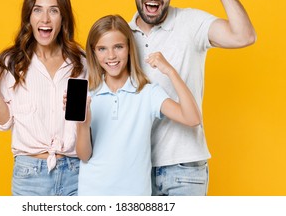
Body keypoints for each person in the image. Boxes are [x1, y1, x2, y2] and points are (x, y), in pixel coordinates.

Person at [129, 0, 257, 196]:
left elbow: (244, 36)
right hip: (138, 169)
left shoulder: (190, 22)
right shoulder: (122, 36)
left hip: (185, 169)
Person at [72, 14, 201, 195]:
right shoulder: (87, 94)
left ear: (130, 48)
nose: (111, 56)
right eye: (102, 49)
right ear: (93, 52)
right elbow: (84, 155)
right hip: (93, 195)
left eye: (118, 47)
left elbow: (192, 118)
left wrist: (170, 72)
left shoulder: (148, 93)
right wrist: (83, 125)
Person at [0, 0, 87, 196]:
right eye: (37, 10)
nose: (45, 19)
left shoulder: (80, 62)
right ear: (29, 17)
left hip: (75, 173)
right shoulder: (12, 62)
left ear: (63, 18)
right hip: (29, 176)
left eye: (53, 11)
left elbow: (85, 122)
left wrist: (82, 111)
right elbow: (2, 123)